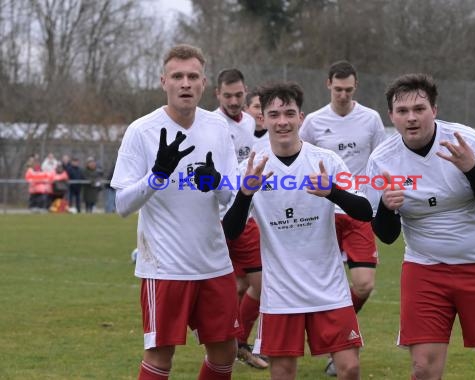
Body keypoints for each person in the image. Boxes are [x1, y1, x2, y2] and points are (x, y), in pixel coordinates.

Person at [366, 73, 475, 380]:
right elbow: (386, 236)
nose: (411, 118)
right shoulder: (381, 160)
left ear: (434, 110)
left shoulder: (468, 143)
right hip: (425, 270)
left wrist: (472, 170)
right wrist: (387, 207)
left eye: (419, 109)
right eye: (402, 111)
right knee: (423, 368)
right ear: (392, 117)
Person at [223, 82, 372, 380]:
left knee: (350, 367)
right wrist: (245, 194)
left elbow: (364, 211)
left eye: (289, 113)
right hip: (281, 293)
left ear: (301, 117)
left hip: (329, 288)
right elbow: (230, 230)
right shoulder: (251, 167)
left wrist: (333, 192)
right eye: (274, 114)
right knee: (283, 372)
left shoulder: (325, 161)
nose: (282, 122)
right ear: (262, 119)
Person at [111, 44, 241, 380]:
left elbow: (232, 196)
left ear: (203, 82)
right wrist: (156, 176)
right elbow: (123, 205)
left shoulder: (217, 128)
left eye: (192, 76)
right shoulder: (142, 131)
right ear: (163, 81)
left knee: (225, 349)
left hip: (214, 262)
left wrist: (215, 182)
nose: (185, 83)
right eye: (177, 76)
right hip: (165, 266)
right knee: (160, 355)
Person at [299, 60, 386, 376]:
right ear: (328, 85)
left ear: (356, 86)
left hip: (357, 211)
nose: (344, 95)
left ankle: (340, 340)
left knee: (363, 285)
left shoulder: (371, 120)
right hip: (322, 215)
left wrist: (379, 201)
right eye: (338, 89)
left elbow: (380, 161)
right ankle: (338, 349)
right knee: (317, 285)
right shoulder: (313, 122)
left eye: (349, 89)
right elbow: (301, 160)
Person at [213, 68, 268, 369]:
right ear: (217, 95)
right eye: (227, 95)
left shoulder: (252, 124)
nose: (234, 101)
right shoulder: (208, 124)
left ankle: (239, 343)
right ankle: (223, 344)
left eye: (238, 95)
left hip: (246, 218)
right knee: (230, 287)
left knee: (260, 284)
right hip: (214, 220)